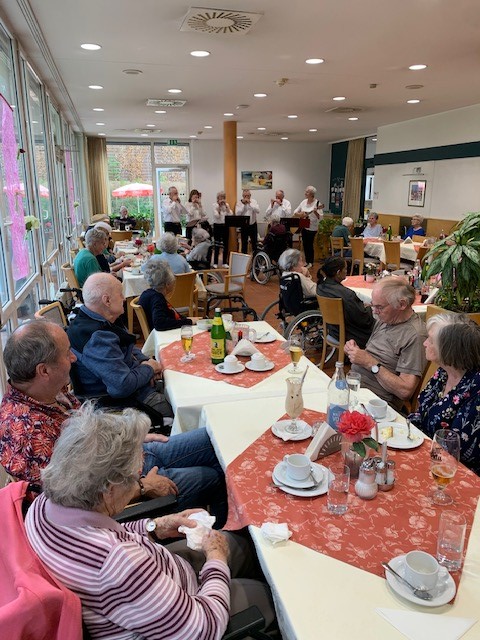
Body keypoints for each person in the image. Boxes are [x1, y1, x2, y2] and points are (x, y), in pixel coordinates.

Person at [25, 404, 275, 639]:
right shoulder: (118, 563)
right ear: (110, 491)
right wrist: (216, 559)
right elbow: (201, 630)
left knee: (243, 546)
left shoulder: (43, 506)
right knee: (271, 594)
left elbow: (100, 532)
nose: (139, 484)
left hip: (154, 583)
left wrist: (156, 527)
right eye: (136, 478)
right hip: (184, 616)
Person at [0, 320, 228, 522]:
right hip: (120, 486)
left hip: (123, 456)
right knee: (214, 477)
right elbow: (69, 506)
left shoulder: (48, 391)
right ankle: (227, 540)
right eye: (67, 352)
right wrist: (141, 487)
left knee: (214, 441)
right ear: (44, 370)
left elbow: (90, 430)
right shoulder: (26, 434)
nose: (74, 358)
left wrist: (128, 435)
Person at [67, 273, 174, 426]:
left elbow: (129, 347)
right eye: (120, 294)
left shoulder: (100, 320)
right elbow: (121, 386)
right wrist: (149, 369)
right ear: (107, 300)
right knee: (183, 407)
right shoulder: (96, 337)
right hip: (122, 406)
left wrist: (145, 361)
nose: (124, 298)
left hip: (136, 388)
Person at [409, 313, 480, 475]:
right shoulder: (443, 372)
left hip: (454, 472)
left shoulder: (475, 388)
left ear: (448, 350)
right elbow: (421, 414)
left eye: (431, 340)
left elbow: (461, 452)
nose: (425, 343)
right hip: (425, 452)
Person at [344, 277, 427, 411]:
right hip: (354, 389)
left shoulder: (416, 335)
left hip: (376, 404)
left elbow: (405, 391)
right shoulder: (385, 320)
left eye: (379, 307)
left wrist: (370, 363)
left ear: (402, 305)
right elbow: (375, 354)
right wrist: (354, 351)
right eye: (373, 305)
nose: (374, 311)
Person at [316, 257, 374, 348]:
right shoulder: (347, 294)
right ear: (338, 272)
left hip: (333, 330)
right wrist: (369, 308)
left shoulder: (320, 287)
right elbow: (365, 321)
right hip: (351, 335)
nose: (346, 271)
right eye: (345, 269)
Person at [139, 259, 198, 331]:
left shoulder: (148, 293)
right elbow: (160, 323)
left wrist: (187, 319)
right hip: (165, 334)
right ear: (167, 284)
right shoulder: (157, 299)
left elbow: (170, 316)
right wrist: (189, 322)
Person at [293, 186, 323, 268]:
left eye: (307, 192)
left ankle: (311, 262)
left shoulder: (317, 203)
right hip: (303, 225)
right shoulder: (303, 202)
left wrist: (315, 212)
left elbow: (320, 218)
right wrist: (300, 214)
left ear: (312, 194)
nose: (305, 193)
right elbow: (295, 211)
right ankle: (307, 261)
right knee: (305, 244)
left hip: (312, 227)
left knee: (309, 244)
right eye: (305, 191)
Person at [235, 189, 259, 254]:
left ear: (250, 195)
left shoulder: (254, 201)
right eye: (245, 196)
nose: (246, 197)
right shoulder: (239, 203)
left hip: (253, 225)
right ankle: (244, 258)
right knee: (244, 243)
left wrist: (250, 204)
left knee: (254, 243)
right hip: (244, 226)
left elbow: (258, 211)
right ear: (242, 196)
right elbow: (237, 214)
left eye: (248, 196)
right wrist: (243, 205)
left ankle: (255, 258)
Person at [212, 190, 232, 266]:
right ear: (217, 199)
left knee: (226, 244)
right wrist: (219, 208)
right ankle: (215, 262)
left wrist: (227, 208)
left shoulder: (226, 205)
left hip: (225, 226)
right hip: (217, 226)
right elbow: (216, 216)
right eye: (220, 198)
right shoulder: (214, 205)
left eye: (223, 198)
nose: (222, 200)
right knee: (217, 244)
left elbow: (231, 214)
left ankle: (224, 262)